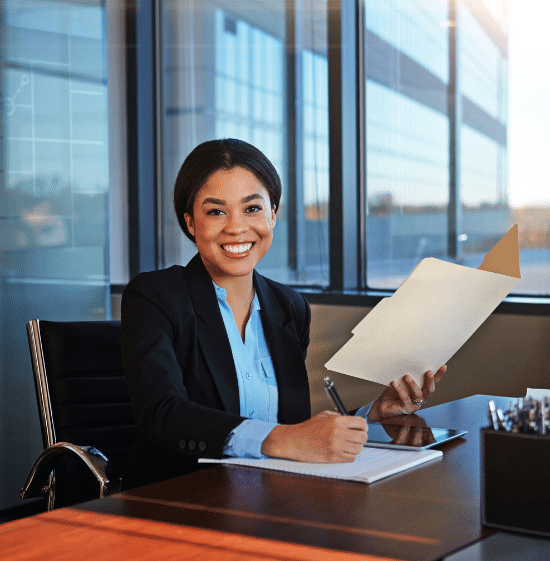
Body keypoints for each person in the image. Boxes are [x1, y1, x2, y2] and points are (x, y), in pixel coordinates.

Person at [119, 138, 446, 490]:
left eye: (252, 208)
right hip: (179, 499)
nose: (236, 227)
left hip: (271, 497)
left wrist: (371, 417)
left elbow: (291, 428)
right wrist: (280, 440)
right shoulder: (154, 296)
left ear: (273, 213)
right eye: (216, 211)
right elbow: (163, 414)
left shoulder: (289, 307)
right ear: (190, 223)